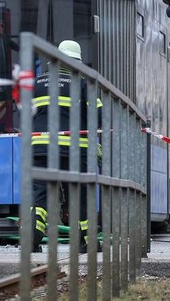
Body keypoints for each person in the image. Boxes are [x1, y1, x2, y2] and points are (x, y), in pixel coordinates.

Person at [29, 40, 101, 252]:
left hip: (40, 146)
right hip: (72, 149)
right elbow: (98, 115)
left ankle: (31, 239)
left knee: (39, 193)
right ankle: (88, 242)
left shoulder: (38, 81)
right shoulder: (83, 82)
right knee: (78, 194)